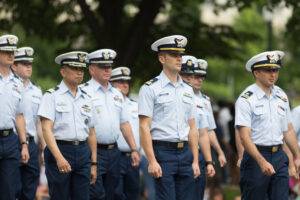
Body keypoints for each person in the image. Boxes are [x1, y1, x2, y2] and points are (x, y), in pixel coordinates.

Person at [138, 35, 201, 200]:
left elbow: (193, 127)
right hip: (163, 152)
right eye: (174, 55)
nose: (179, 58)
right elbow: (144, 126)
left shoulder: (187, 90)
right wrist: (151, 160)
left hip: (185, 152)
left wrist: (195, 160)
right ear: (162, 58)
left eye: (180, 55)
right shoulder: (150, 88)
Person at [235, 50, 300, 200]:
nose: (273, 74)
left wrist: (297, 156)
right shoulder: (246, 99)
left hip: (278, 156)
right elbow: (244, 137)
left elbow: (288, 130)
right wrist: (261, 161)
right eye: (268, 70)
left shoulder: (281, 95)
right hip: (256, 156)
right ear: (256, 73)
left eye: (276, 70)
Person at [81, 49, 140, 200]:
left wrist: (134, 149)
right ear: (92, 69)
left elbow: (125, 124)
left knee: (113, 194)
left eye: (109, 66)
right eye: (102, 66)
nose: (107, 70)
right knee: (95, 193)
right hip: (93, 151)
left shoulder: (117, 94)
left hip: (114, 152)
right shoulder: (83, 92)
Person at [38, 51, 97, 200]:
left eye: (81, 69)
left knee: (83, 197)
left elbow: (91, 132)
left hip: (83, 151)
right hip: (60, 149)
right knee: (60, 196)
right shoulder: (51, 95)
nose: (79, 72)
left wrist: (94, 162)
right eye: (74, 68)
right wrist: (59, 158)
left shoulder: (87, 98)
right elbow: (46, 129)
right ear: (63, 71)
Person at [12, 47, 44, 200]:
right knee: (11, 188)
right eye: (24, 63)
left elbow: (40, 123)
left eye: (30, 63)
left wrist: (43, 149)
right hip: (11, 141)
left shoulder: (37, 91)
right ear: (14, 66)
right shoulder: (7, 87)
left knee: (30, 188)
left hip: (31, 144)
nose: (29, 66)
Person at [191, 58, 226, 199]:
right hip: (182, 150)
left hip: (200, 151)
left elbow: (208, 130)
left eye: (202, 77)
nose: (199, 80)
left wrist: (219, 151)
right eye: (196, 76)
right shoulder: (182, 97)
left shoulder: (205, 100)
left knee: (198, 192)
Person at [0, 34, 29, 200]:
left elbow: (19, 116)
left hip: (10, 140)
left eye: (13, 51)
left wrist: (24, 144)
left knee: (10, 191)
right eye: (6, 51)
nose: (11, 55)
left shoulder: (18, 83)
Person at [110, 66, 141, 200]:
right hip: (115, 154)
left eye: (126, 82)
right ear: (111, 83)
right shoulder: (109, 104)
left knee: (133, 193)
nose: (125, 85)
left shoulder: (135, 105)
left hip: (133, 156)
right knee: (116, 193)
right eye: (120, 82)